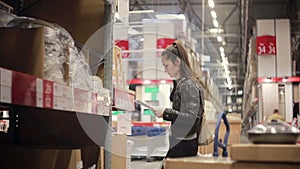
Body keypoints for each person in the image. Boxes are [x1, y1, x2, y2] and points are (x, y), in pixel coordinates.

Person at [153, 40, 204, 167]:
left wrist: (166, 112)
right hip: (180, 143)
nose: (165, 70)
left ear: (177, 62)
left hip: (184, 145)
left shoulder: (188, 85)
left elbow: (192, 119)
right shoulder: (182, 84)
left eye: (166, 65)